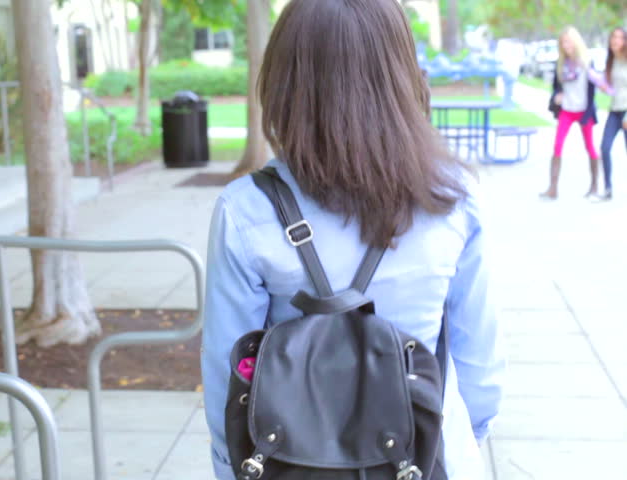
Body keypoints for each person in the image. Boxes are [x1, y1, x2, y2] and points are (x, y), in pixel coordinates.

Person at [200, 0, 505, 478]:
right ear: (402, 76)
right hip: (423, 456)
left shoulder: (246, 209)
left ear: (284, 82)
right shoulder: (453, 199)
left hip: (294, 462)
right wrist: (467, 438)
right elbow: (478, 361)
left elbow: (229, 374)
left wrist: (232, 464)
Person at [542, 26, 613, 199]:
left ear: (576, 42)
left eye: (568, 42)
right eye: (563, 43)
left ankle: (594, 186)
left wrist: (588, 112)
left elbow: (593, 89)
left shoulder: (586, 62)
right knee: (557, 145)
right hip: (567, 110)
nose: (566, 46)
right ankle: (553, 188)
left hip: (584, 110)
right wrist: (556, 96)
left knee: (590, 147)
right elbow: (556, 87)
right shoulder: (560, 64)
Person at [599, 27, 627, 201]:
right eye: (613, 37)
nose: (616, 40)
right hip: (614, 110)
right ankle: (608, 188)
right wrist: (605, 87)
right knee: (604, 148)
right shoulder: (611, 61)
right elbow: (612, 88)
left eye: (620, 37)